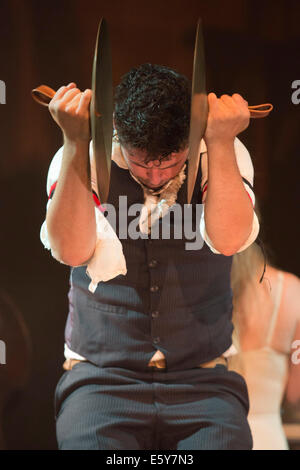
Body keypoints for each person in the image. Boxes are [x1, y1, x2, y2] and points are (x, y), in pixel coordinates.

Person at [40, 63, 260, 450]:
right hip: (102, 378)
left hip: (202, 379)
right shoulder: (85, 152)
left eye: (170, 162)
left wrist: (222, 142)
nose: (156, 177)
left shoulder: (219, 152)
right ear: (118, 135)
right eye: (142, 161)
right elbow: (70, 250)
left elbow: (231, 241)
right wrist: (75, 142)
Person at [230, 241, 300, 450]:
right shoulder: (291, 290)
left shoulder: (196, 295)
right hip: (268, 439)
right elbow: (295, 392)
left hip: (212, 437)